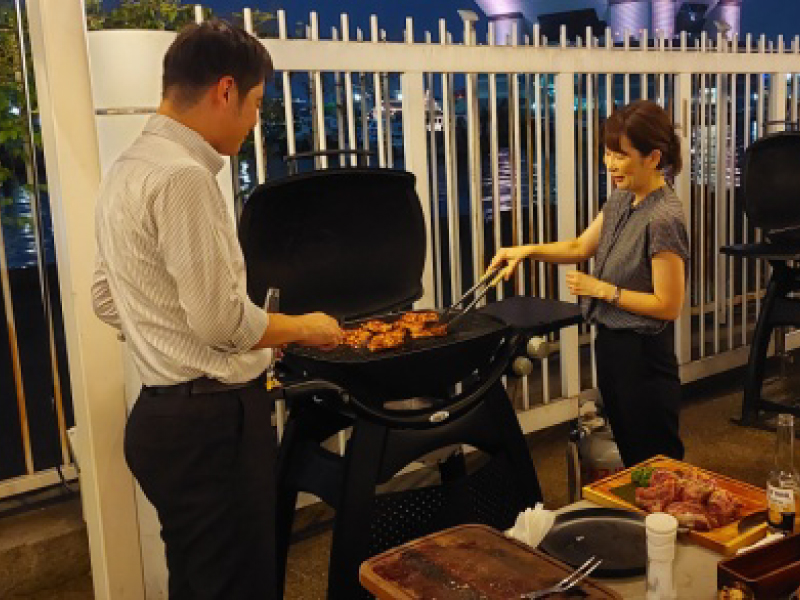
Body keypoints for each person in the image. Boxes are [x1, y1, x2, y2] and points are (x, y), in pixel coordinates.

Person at [91, 20, 343, 600]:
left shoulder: (128, 168)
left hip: (161, 421)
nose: (256, 118)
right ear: (225, 91)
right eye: (256, 103)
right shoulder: (185, 178)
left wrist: (180, 341)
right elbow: (221, 323)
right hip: (212, 428)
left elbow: (111, 300)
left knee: (203, 581)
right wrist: (304, 327)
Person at [488, 99, 689, 468]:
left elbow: (667, 304)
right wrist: (524, 250)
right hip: (612, 348)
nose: (610, 164)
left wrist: (601, 290)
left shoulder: (664, 217)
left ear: (653, 158)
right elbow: (581, 246)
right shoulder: (621, 197)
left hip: (644, 357)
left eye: (621, 155)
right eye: (607, 154)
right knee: (633, 461)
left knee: (658, 466)